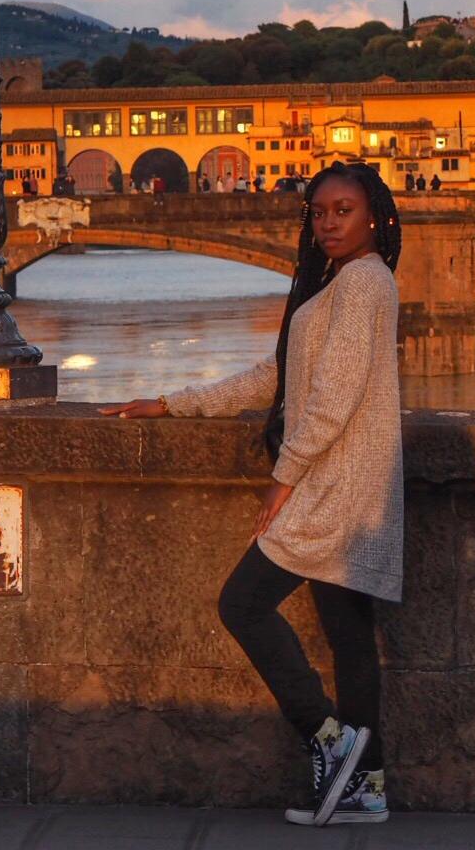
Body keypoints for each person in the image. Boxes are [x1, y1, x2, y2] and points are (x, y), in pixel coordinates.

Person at [98, 162, 403, 828]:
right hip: (353, 485)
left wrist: (283, 479)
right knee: (350, 638)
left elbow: (330, 398)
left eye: (342, 210)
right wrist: (171, 405)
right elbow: (277, 377)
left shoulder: (363, 282)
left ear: (374, 215)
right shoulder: (343, 283)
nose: (328, 223)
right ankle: (365, 787)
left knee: (243, 603)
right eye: (319, 212)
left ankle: (330, 738)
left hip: (336, 486)